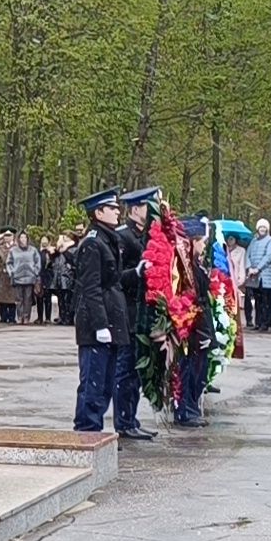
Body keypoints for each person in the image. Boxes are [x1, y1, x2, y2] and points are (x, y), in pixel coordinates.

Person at [72, 189, 129, 433]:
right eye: (112, 208)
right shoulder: (93, 243)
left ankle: (94, 431)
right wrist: (100, 325)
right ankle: (87, 431)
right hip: (97, 323)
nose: (117, 212)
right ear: (99, 212)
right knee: (92, 384)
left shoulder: (107, 239)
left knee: (105, 383)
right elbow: (91, 288)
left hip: (111, 319)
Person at [111, 187, 158, 442]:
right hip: (127, 312)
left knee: (136, 371)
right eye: (147, 208)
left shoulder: (145, 236)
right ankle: (123, 422)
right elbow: (115, 277)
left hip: (142, 312)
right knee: (125, 370)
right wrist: (136, 273)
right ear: (137, 209)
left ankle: (131, 418)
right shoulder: (123, 236)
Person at [173, 218, 213, 427]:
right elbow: (190, 296)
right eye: (201, 241)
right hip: (191, 325)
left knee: (198, 369)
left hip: (199, 322)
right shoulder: (185, 266)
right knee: (189, 368)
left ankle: (190, 407)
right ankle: (185, 409)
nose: (204, 245)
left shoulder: (195, 264)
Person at [245, 220, 271, 332]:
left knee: (266, 300)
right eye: (260, 227)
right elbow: (247, 254)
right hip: (254, 276)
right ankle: (258, 322)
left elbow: (268, 256)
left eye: (264, 227)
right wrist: (249, 267)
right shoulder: (253, 241)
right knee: (257, 300)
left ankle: (265, 323)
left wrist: (258, 268)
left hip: (266, 274)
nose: (262, 229)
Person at [6, 231, 41, 325]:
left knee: (28, 299)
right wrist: (11, 272)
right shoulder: (13, 250)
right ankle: (19, 316)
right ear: (18, 239)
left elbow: (38, 262)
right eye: (21, 237)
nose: (23, 239)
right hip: (18, 277)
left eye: (25, 237)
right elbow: (9, 263)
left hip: (30, 277)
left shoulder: (33, 250)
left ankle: (26, 317)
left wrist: (35, 272)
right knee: (19, 299)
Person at [51, 234, 76, 325]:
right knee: (60, 299)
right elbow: (52, 258)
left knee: (68, 300)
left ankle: (69, 318)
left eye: (65, 237)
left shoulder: (73, 248)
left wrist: (64, 250)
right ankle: (62, 317)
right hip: (58, 278)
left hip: (68, 277)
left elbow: (72, 259)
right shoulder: (59, 249)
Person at [36, 236, 57, 323]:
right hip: (39, 276)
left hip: (48, 277)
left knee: (48, 298)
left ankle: (48, 317)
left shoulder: (51, 252)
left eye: (45, 240)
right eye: (42, 240)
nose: (44, 242)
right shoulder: (37, 252)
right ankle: (39, 317)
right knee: (39, 298)